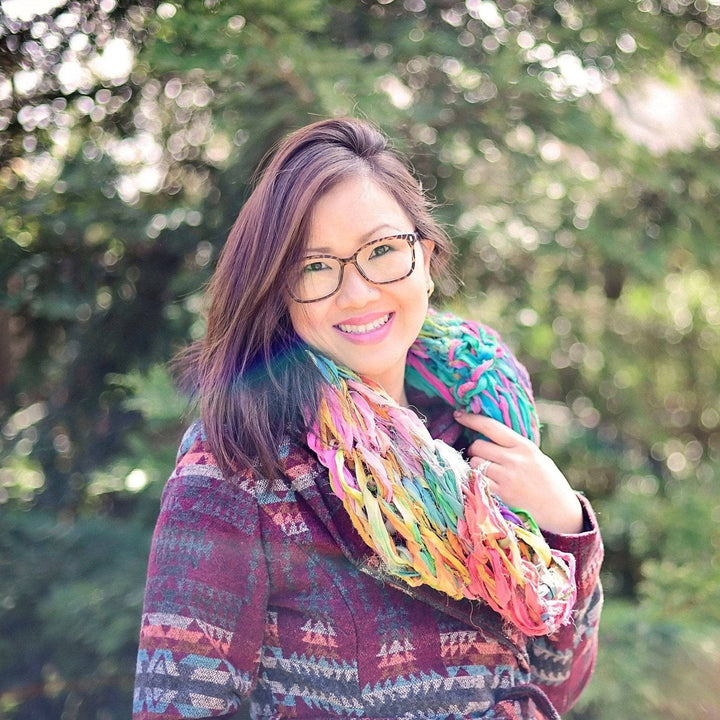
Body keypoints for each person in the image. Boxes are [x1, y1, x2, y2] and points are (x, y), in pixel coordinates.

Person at [133, 117, 603, 720]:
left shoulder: (482, 423)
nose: (356, 294)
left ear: (425, 259)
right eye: (315, 267)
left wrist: (563, 524)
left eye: (381, 250)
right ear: (279, 292)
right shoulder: (239, 462)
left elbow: (556, 686)